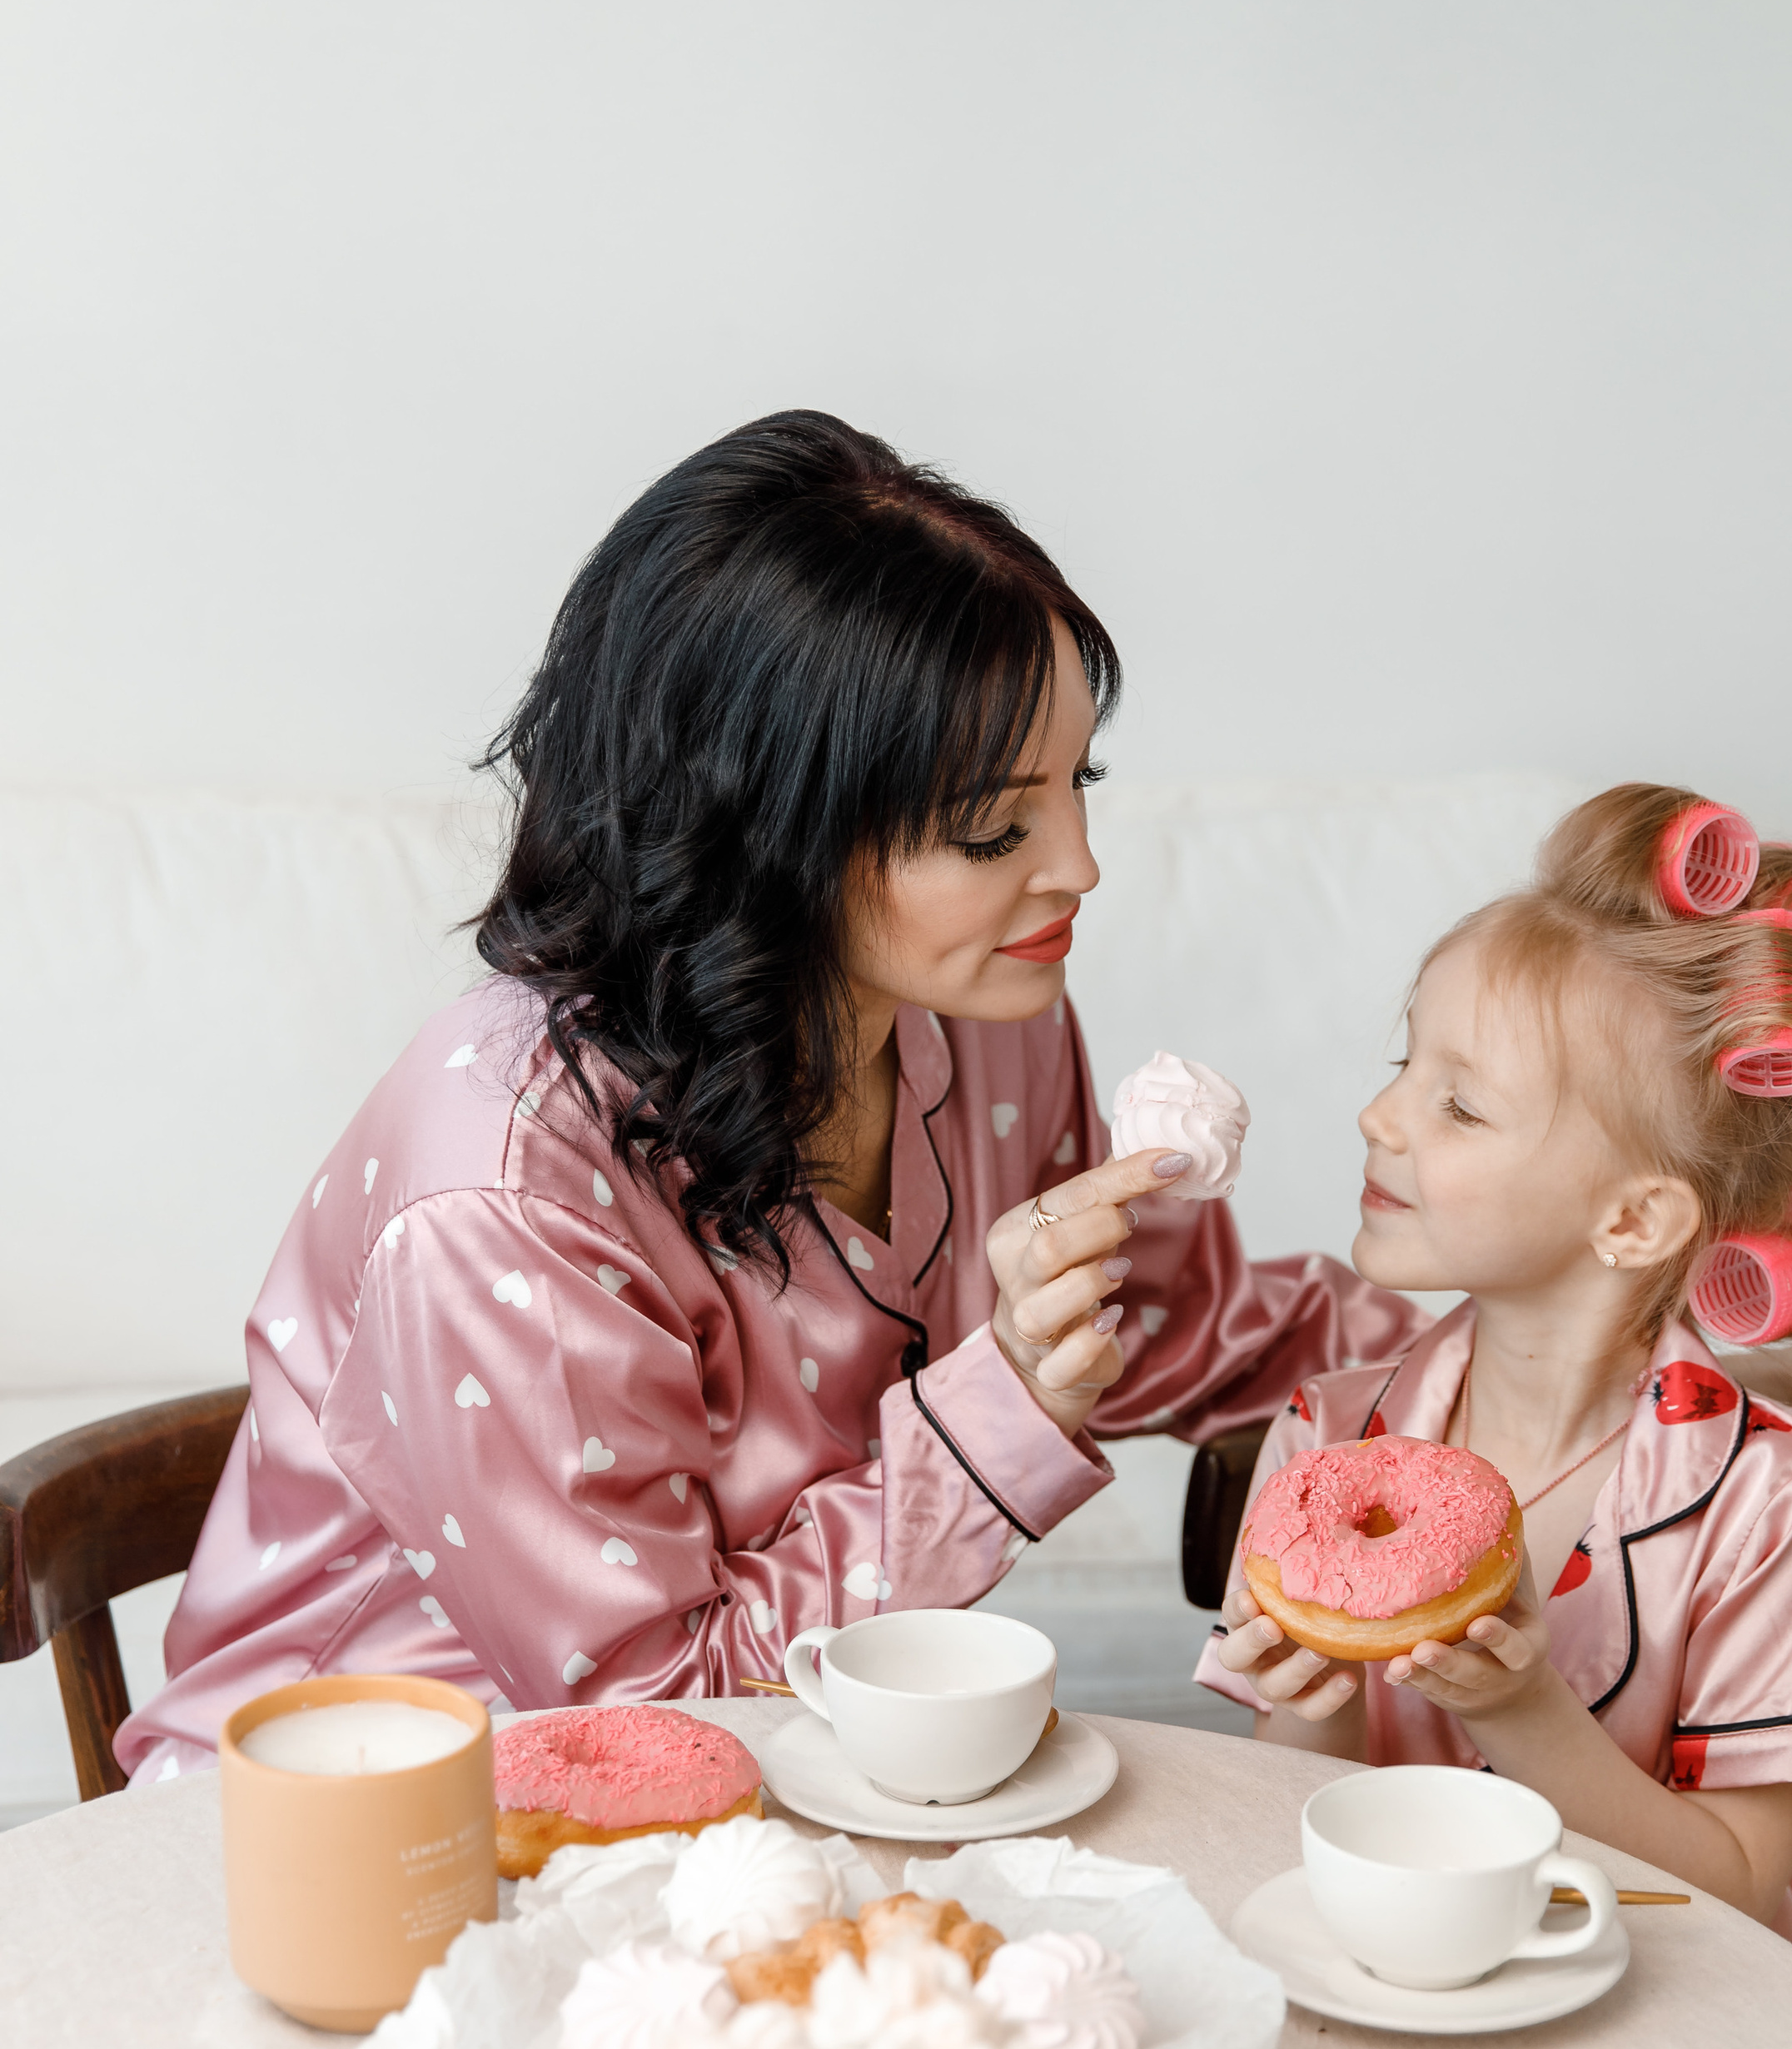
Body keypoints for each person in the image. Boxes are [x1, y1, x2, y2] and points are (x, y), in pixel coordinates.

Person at [116, 411, 1421, 1778]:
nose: (1079, 868)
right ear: (768, 837)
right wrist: (1009, 1409)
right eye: (994, 827)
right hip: (380, 1829)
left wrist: (1517, 1340)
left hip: (782, 1793)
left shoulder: (988, 1018)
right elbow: (655, 1710)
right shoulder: (500, 1190)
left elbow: (1165, 1323)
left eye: (1075, 785)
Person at [1201, 783, 1792, 1939]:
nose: (1380, 1117)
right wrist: (1313, 1707)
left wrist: (1525, 1708)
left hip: (1665, 2036)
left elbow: (1738, 1890)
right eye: (1403, 1065)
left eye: (1460, 1107)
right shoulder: (1325, 1440)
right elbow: (1305, 1822)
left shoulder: (1778, 1505)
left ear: (1635, 1221)